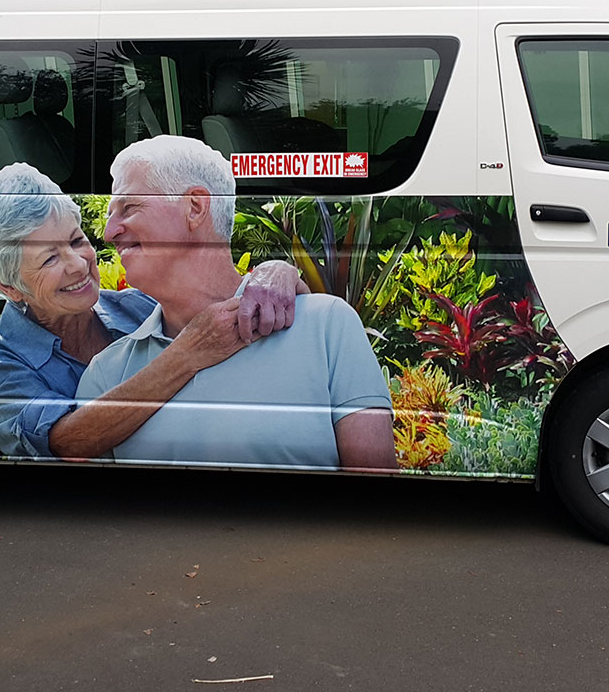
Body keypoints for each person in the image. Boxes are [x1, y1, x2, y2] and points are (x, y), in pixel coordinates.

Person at [75, 135, 397, 471]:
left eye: (129, 207)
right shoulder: (105, 374)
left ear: (195, 208)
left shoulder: (327, 326)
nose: (109, 231)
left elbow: (375, 497)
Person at [0, 163, 305, 460]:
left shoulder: (137, 304)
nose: (78, 264)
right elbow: (67, 441)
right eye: (49, 259)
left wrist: (276, 273)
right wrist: (187, 353)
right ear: (7, 285)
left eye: (76, 240)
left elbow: (246, 304)